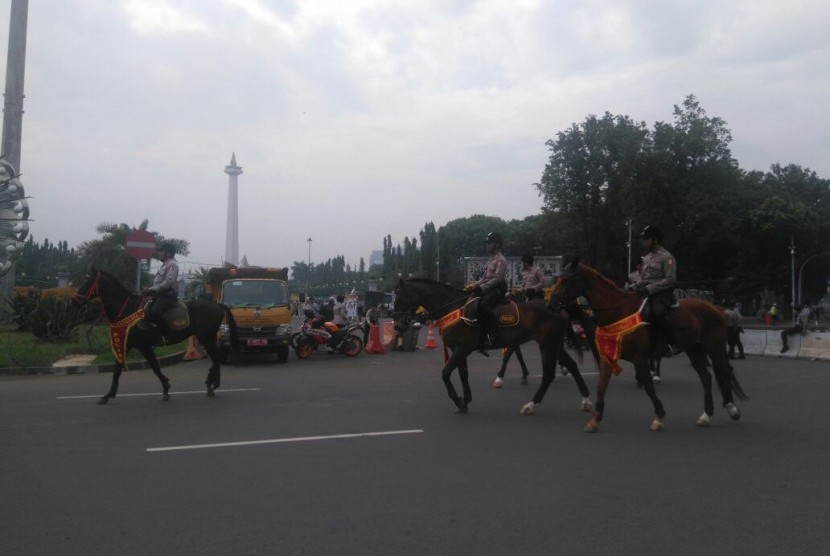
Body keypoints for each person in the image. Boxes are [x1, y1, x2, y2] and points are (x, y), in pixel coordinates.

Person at [626, 225, 677, 357]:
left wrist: (649, 289)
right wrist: (632, 287)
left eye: (646, 239)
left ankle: (671, 343)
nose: (643, 242)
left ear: (655, 240)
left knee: (658, 313)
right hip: (646, 293)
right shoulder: (647, 258)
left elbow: (670, 280)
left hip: (662, 294)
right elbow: (643, 279)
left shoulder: (667, 257)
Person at [472, 231, 508, 348]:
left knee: (483, 304)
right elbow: (484, 278)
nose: (486, 245)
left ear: (497, 245)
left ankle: (494, 332)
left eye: (489, 243)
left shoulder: (501, 260)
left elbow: (497, 279)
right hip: (488, 288)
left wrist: (481, 288)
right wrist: (474, 285)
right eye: (486, 243)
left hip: (497, 289)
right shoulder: (491, 260)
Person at [141, 242, 180, 334]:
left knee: (154, 311)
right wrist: (149, 289)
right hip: (160, 295)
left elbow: (169, 282)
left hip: (167, 296)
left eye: (162, 251)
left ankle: (163, 334)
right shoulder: (165, 265)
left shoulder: (172, 264)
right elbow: (159, 283)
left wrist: (152, 290)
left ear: (168, 254)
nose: (159, 254)